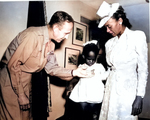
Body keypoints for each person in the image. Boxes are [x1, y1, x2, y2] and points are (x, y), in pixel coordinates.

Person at [0, 11, 90, 120]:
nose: (66, 37)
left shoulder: (51, 43)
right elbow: (13, 66)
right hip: (10, 79)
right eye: (66, 33)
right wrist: (21, 94)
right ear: (56, 28)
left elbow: (52, 68)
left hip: (25, 80)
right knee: (14, 117)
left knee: (26, 117)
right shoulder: (33, 35)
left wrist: (73, 72)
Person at [96, 1, 148, 120]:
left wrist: (139, 96)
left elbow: (143, 69)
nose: (108, 31)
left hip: (127, 92)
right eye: (106, 28)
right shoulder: (109, 43)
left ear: (120, 20)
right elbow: (110, 69)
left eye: (109, 26)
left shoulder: (137, 36)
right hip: (110, 89)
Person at [68, 40, 109, 120]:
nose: (91, 62)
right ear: (84, 56)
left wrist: (110, 71)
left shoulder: (99, 66)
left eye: (93, 59)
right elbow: (76, 76)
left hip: (95, 93)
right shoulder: (81, 66)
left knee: (94, 112)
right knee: (83, 112)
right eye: (89, 59)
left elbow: (103, 76)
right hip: (83, 92)